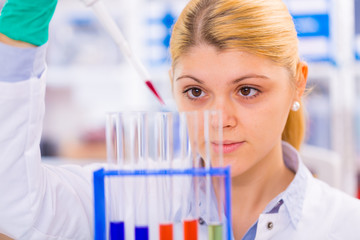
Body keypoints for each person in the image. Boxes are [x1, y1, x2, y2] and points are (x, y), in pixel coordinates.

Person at [0, 0, 360, 239]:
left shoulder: (346, 225)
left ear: (298, 84)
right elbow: (17, 205)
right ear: (173, 88)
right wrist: (20, 30)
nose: (218, 120)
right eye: (196, 92)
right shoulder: (131, 200)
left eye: (247, 90)